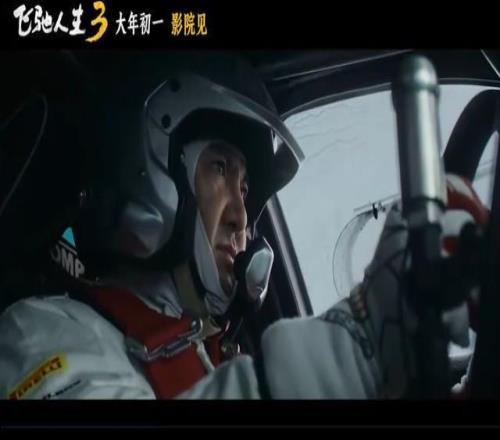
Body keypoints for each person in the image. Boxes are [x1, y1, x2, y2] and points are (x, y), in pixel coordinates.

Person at [0, 52, 489, 399]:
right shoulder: (39, 334)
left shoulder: (215, 353)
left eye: (246, 188)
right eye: (219, 169)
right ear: (149, 170)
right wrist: (357, 346)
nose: (241, 216)